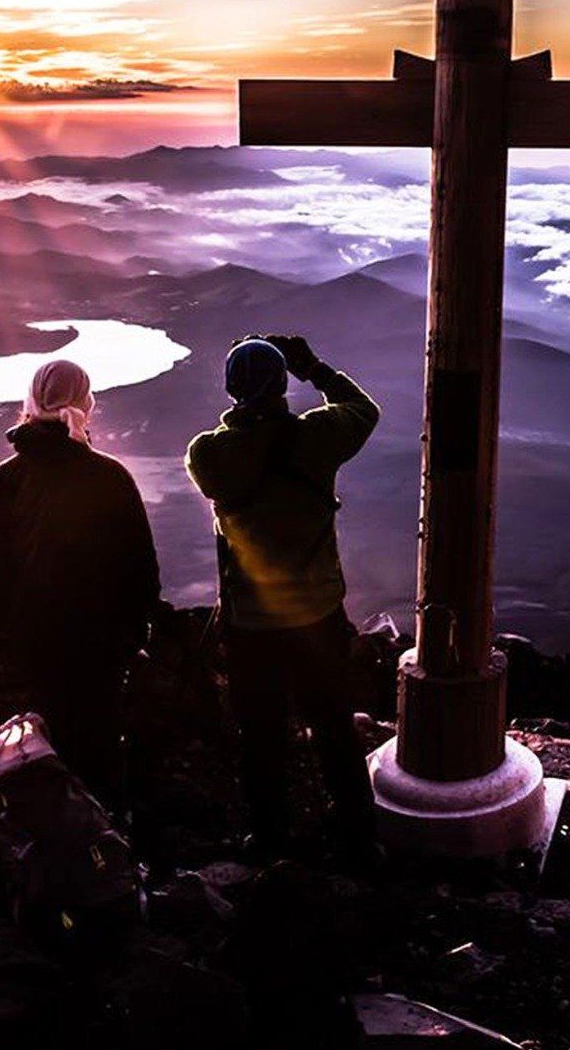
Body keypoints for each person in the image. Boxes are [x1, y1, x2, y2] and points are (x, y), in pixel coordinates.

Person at [185, 334, 381, 867]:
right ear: (281, 386)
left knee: (262, 734)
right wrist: (312, 367)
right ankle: (360, 835)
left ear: (230, 390)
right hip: (317, 615)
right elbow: (364, 409)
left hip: (251, 624)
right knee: (335, 727)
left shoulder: (210, 455)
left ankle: (272, 841)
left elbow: (229, 449)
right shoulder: (318, 438)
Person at [0, 359, 160, 805]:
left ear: (31, 404)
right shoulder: (109, 477)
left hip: (33, 647)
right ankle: (108, 850)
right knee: (99, 752)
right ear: (85, 404)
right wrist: (131, 636)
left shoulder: (8, 479)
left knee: (45, 750)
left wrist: (5, 633)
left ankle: (57, 853)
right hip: (101, 649)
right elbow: (140, 570)